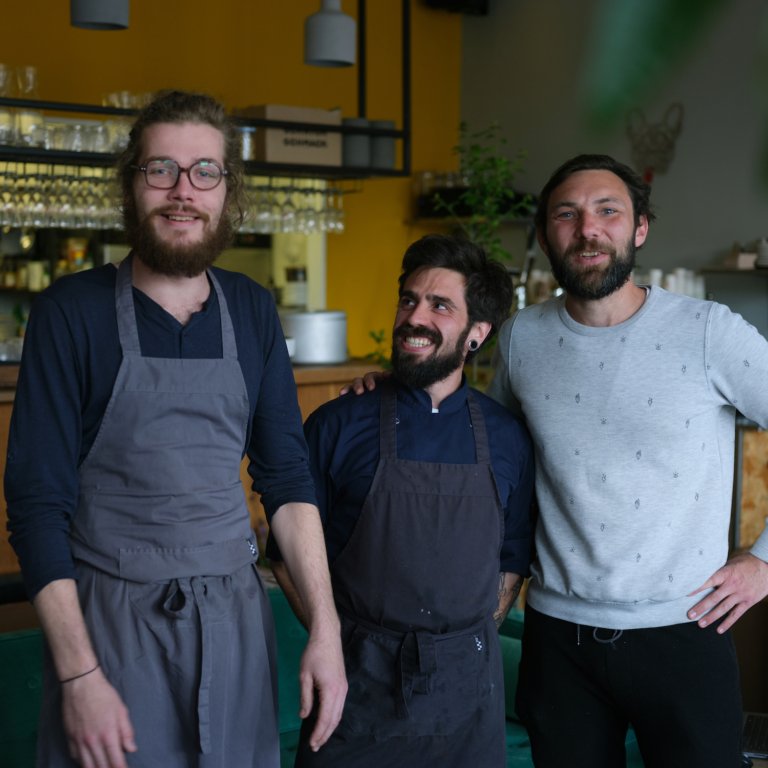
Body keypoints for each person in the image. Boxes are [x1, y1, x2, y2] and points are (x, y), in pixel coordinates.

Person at [346, 155, 768, 768]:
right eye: (566, 215)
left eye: (608, 211)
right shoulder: (522, 336)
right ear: (545, 236)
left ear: (639, 229)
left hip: (684, 632)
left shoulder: (709, 332)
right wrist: (398, 382)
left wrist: (762, 563)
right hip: (557, 639)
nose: (587, 228)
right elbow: (484, 444)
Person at [5, 90, 346, 768]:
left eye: (204, 172)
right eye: (161, 169)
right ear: (132, 186)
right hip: (111, 627)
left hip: (235, 623)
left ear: (228, 191)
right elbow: (37, 506)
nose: (182, 191)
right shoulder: (70, 313)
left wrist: (326, 629)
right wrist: (78, 676)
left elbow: (286, 478)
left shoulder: (251, 310)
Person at [267, 234, 536, 767]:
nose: (415, 317)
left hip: (468, 699)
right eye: (409, 300)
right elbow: (286, 557)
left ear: (477, 333)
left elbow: (511, 562)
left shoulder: (507, 437)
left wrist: (468, 642)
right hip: (356, 685)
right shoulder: (336, 424)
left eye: (440, 306)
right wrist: (336, 639)